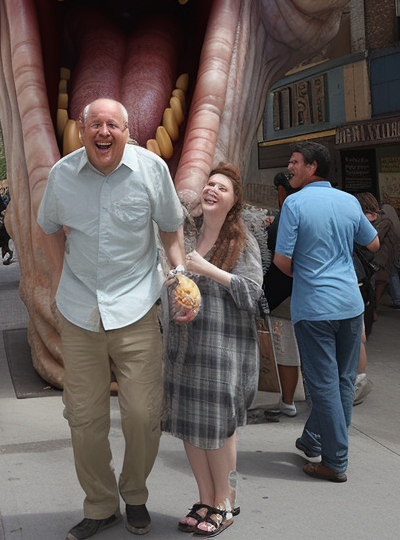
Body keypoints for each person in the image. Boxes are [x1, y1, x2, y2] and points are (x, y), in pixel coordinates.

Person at [37, 97, 189, 540]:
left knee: (143, 414)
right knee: (83, 419)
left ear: (128, 130)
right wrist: (60, 278)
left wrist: (176, 272)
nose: (103, 132)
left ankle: (136, 493)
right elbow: (48, 228)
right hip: (80, 311)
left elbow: (170, 224)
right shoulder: (63, 175)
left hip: (137, 307)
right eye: (95, 124)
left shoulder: (151, 170)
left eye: (113, 125)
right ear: (82, 130)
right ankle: (100, 504)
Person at [164, 165, 262, 537]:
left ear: (234, 200)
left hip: (223, 351)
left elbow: (252, 293)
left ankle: (225, 502)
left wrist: (209, 269)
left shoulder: (243, 241)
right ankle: (205, 499)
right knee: (190, 424)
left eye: (222, 188)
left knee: (221, 429)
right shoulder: (186, 239)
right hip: (185, 347)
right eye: (209, 185)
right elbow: (175, 284)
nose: (212, 190)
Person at [274, 142, 378, 483]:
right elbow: (373, 243)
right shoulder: (349, 201)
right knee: (344, 381)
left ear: (312, 166)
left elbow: (281, 262)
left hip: (315, 306)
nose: (290, 168)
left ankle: (335, 461)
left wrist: (305, 273)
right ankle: (314, 439)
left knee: (324, 386)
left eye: (295, 162)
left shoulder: (295, 203)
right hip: (350, 304)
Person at [264, 171, 300, 421]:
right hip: (311, 292)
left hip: (284, 295)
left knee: (286, 348)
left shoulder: (287, 214)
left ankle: (288, 401)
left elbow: (280, 259)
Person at [379, 200, 400, 309]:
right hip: (395, 251)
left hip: (388, 251)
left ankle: (397, 300)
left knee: (390, 274)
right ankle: (397, 300)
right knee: (392, 274)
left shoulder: (385, 222)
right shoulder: (395, 224)